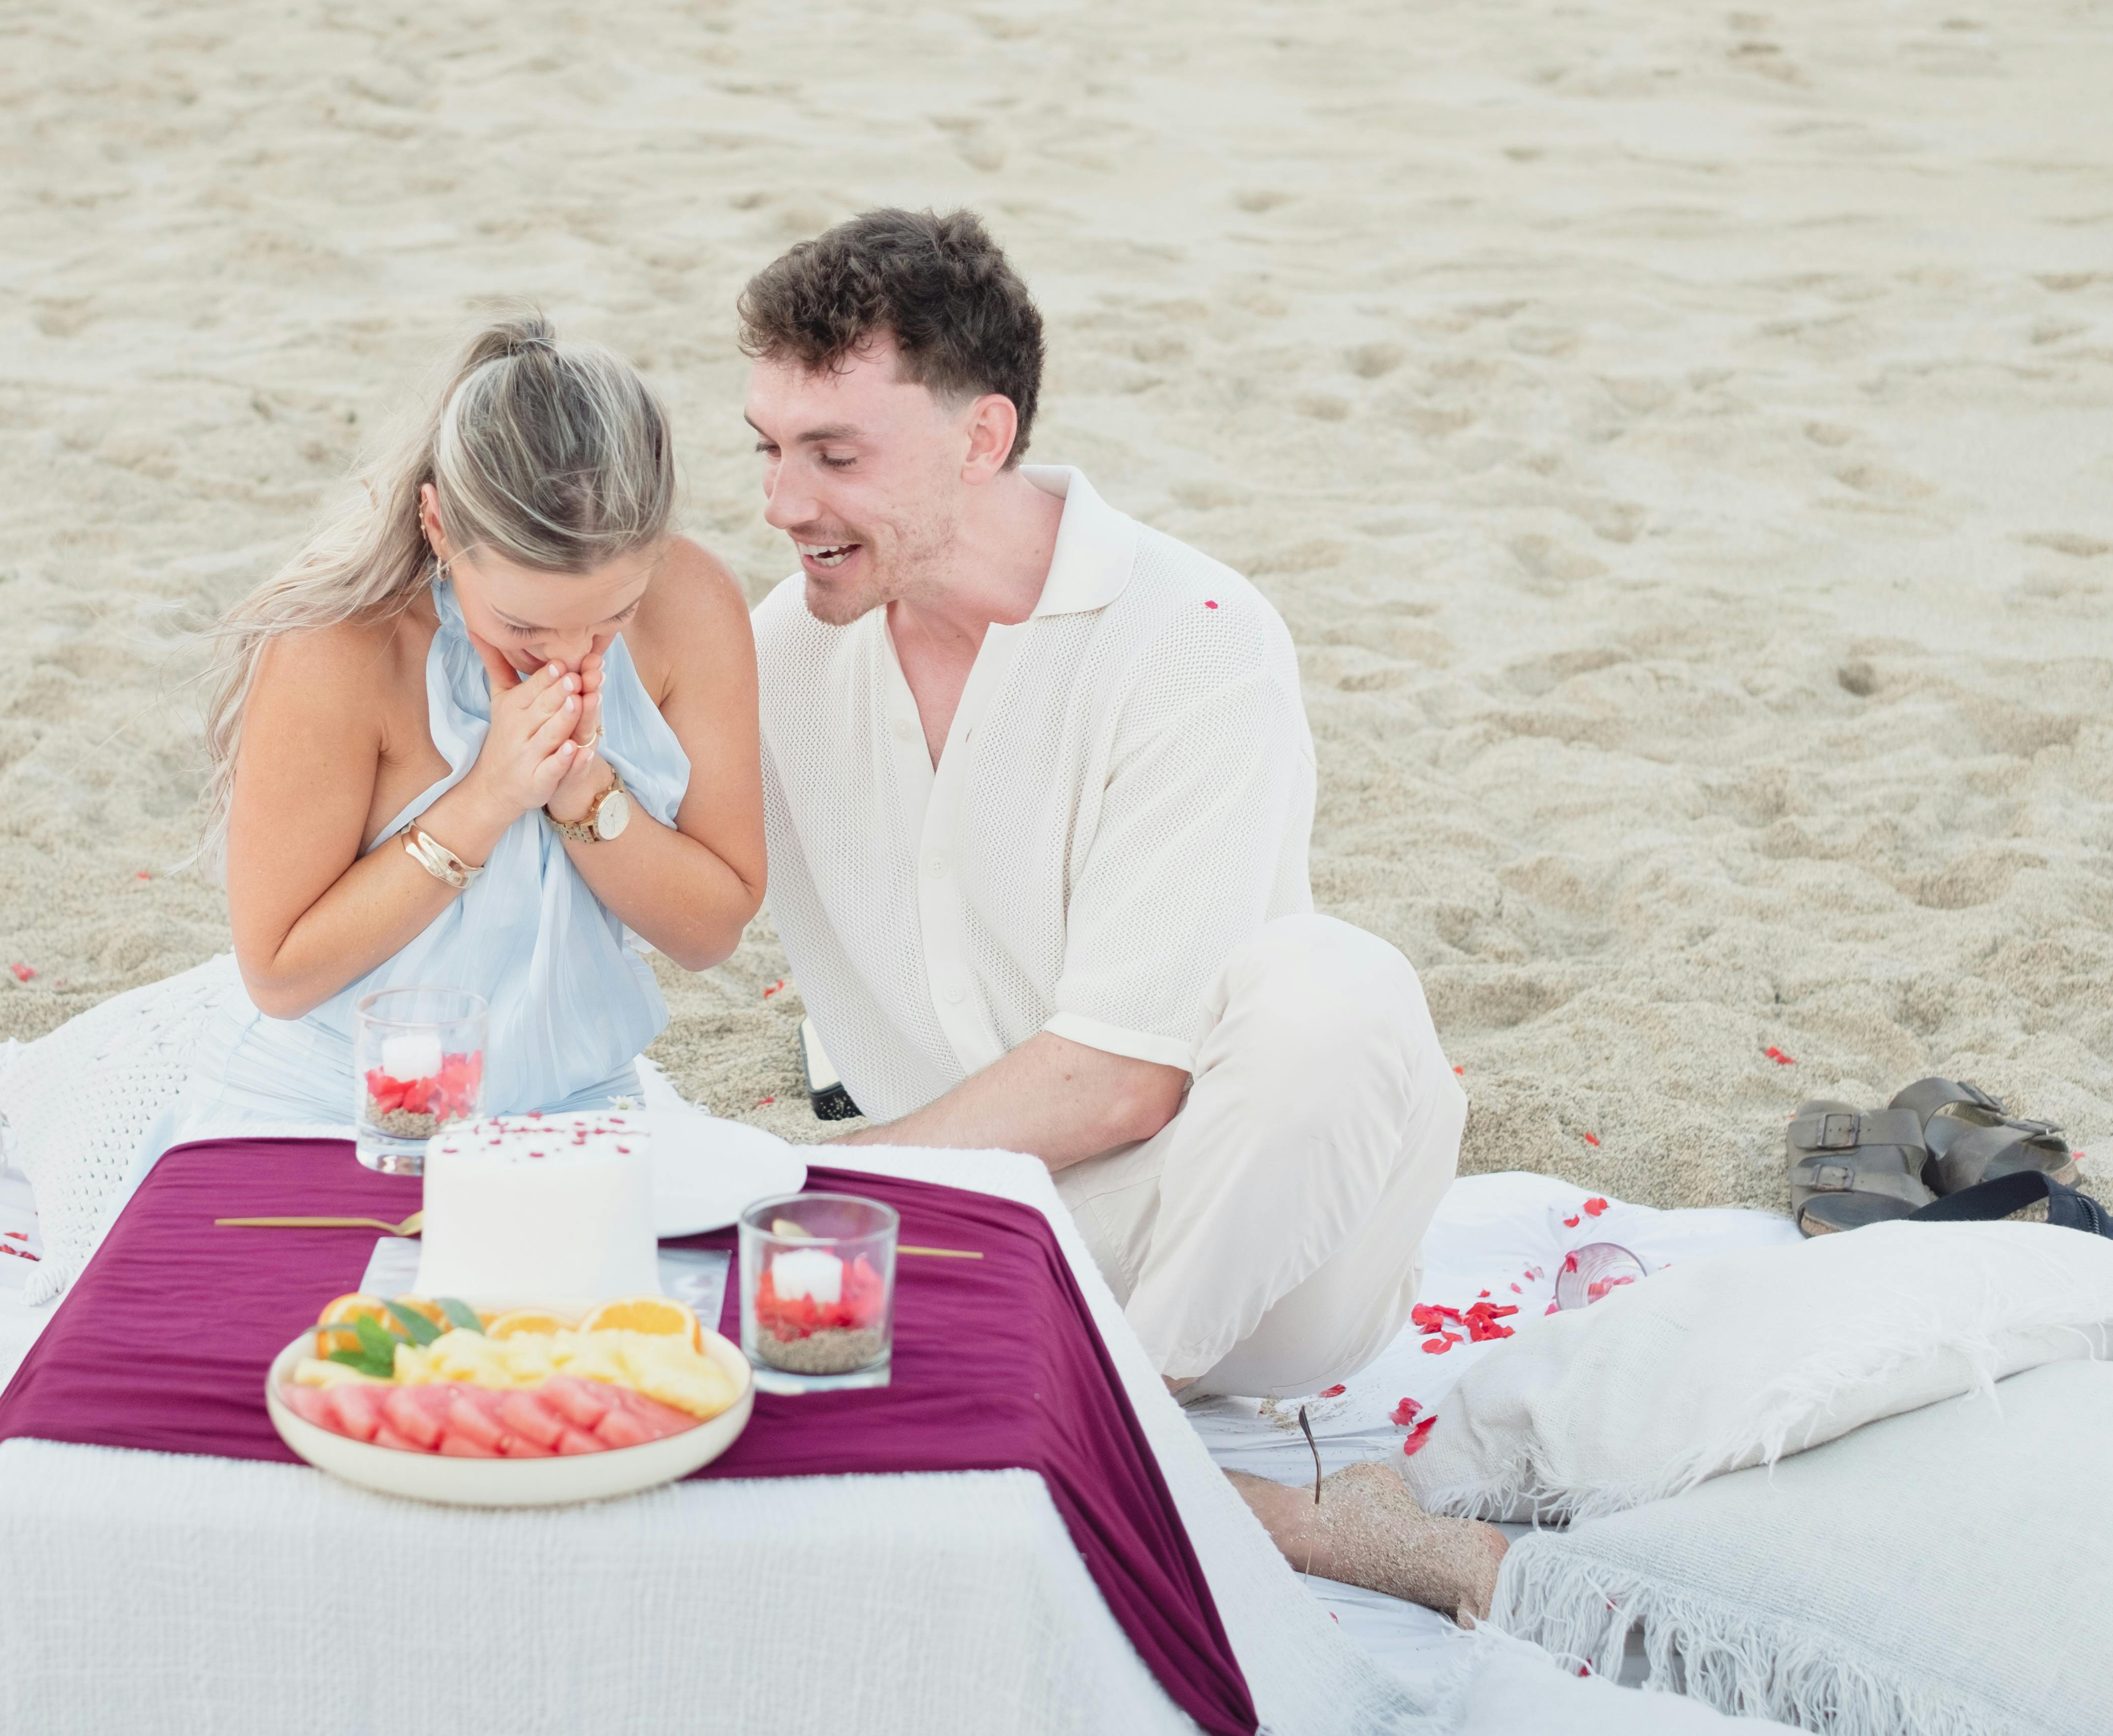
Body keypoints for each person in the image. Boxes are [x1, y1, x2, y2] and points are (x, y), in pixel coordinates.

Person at [738, 209, 1500, 1620]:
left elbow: (1124, 1076)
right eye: (766, 447)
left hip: (1243, 1248)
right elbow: (648, 877)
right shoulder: (777, 651)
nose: (783, 501)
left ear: (983, 438)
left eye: (835, 455)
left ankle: (1119, 1434)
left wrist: (806, 1195)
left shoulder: (1191, 633)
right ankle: (1227, 1501)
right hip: (975, 1250)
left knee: (1334, 990)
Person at [133, 309, 764, 1168]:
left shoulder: (693, 605)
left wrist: (581, 790)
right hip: (332, 1106)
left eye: (613, 614)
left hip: (576, 1103)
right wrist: (489, 798)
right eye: (523, 622)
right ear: (439, 527)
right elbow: (280, 973)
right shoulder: (339, 650)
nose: (573, 657)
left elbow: (712, 932)